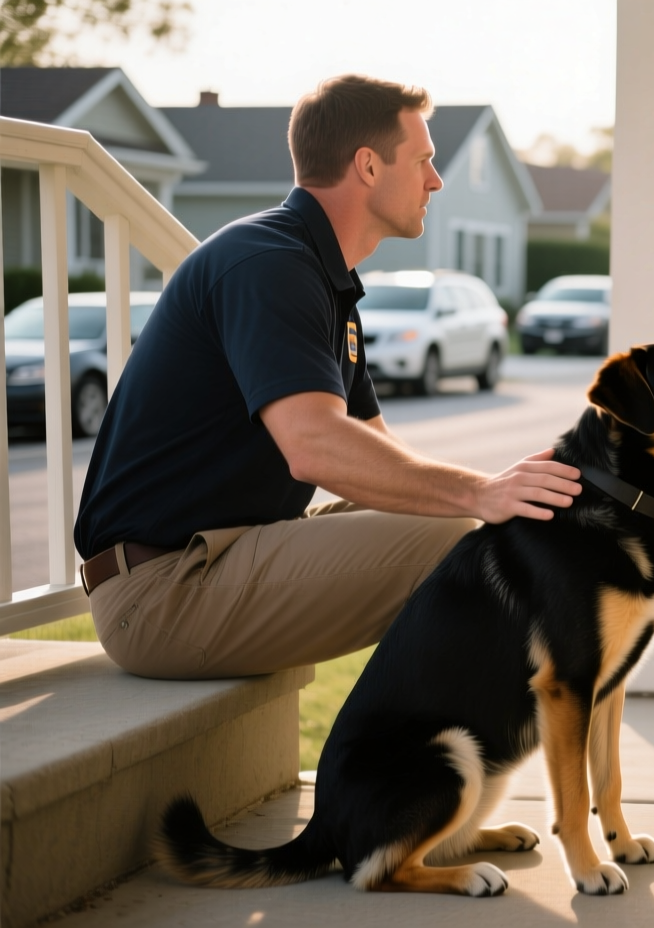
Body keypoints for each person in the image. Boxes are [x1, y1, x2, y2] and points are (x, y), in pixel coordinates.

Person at [73, 75, 583, 680]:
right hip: (164, 592)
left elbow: (377, 457)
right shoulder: (269, 265)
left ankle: (427, 753)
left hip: (220, 557)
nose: (436, 181)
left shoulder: (321, 281)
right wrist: (479, 492)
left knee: (465, 525)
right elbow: (314, 447)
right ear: (368, 166)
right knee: (459, 537)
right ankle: (408, 761)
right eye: (423, 160)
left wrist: (506, 499)